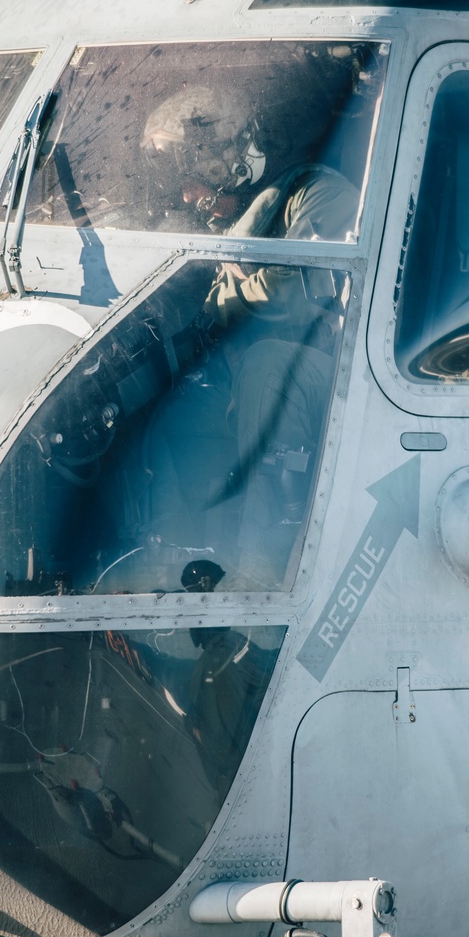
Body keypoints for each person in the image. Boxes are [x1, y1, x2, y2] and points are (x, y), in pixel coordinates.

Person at [140, 87, 357, 586]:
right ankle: (180, 570)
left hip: (337, 382)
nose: (186, 197)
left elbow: (290, 294)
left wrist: (222, 300)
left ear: (232, 164)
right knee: (173, 417)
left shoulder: (321, 195)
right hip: (248, 382)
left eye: (193, 182)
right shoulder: (237, 226)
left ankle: (259, 570)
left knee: (269, 366)